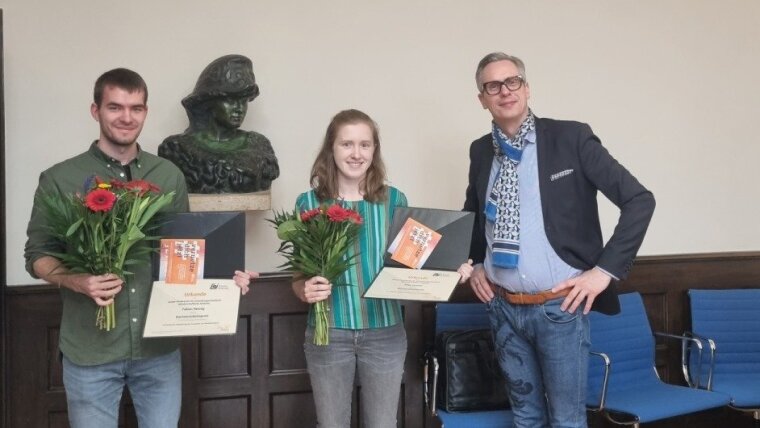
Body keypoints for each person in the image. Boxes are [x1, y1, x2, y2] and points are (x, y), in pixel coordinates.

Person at [23, 68, 253, 428]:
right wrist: (77, 280)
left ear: (146, 112)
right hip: (90, 349)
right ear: (95, 110)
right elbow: (37, 256)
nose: (126, 117)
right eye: (115, 107)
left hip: (158, 350)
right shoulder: (60, 178)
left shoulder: (168, 176)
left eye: (136, 108)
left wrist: (225, 280)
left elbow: (184, 253)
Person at [463, 52, 655, 428]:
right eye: (493, 86)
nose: (505, 91)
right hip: (503, 310)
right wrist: (474, 266)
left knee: (566, 420)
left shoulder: (572, 138)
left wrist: (604, 272)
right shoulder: (481, 150)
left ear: (527, 87)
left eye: (512, 81)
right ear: (482, 99)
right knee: (526, 418)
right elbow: (473, 214)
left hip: (560, 311)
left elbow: (639, 200)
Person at [158, 54, 280, 193]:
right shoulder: (177, 148)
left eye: (243, 101)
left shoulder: (259, 145)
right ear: (210, 101)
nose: (239, 108)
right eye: (230, 100)